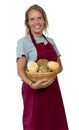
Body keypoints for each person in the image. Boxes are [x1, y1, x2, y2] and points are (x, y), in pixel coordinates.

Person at [16, 4, 69, 130]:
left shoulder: (51, 41)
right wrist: (32, 84)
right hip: (34, 91)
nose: (37, 22)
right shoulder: (23, 42)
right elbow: (20, 70)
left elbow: (60, 67)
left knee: (55, 123)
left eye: (39, 18)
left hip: (53, 89)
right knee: (35, 124)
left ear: (44, 20)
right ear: (27, 23)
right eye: (32, 19)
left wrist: (49, 72)